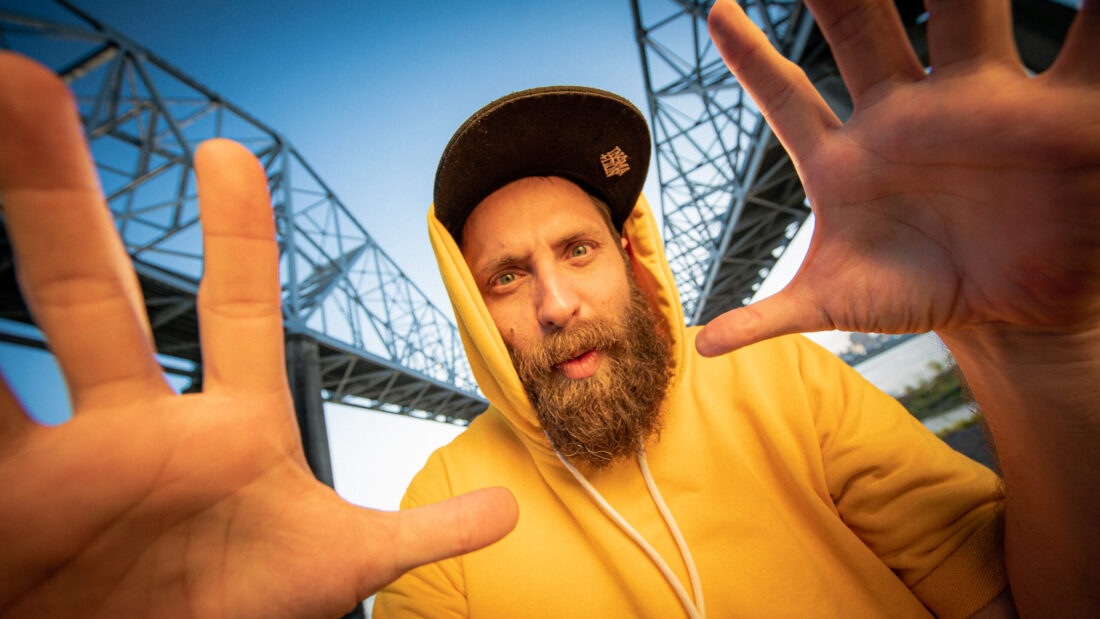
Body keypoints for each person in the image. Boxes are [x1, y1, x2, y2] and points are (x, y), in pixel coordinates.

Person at [0, 0, 1094, 617]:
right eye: (504, 277)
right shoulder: (433, 516)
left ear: (636, 260)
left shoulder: (783, 381)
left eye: (576, 248)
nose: (557, 303)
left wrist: (1040, 357)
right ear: (473, 316)